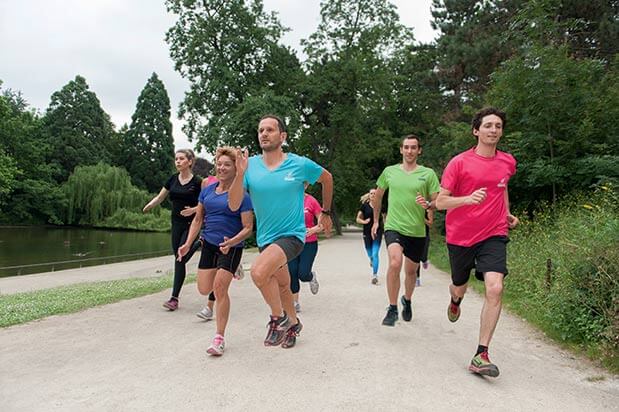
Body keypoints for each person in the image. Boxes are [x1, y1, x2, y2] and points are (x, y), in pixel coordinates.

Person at [229, 114, 333, 349]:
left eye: (269, 130)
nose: (264, 134)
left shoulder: (299, 164)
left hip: (293, 236)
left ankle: (279, 318)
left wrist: (325, 211)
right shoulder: (250, 165)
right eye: (260, 130)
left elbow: (327, 179)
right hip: (266, 238)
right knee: (283, 286)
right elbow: (234, 204)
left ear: (282, 136)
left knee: (258, 272)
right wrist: (239, 173)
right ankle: (294, 324)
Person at [434, 107, 519, 378]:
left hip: (493, 234)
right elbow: (440, 202)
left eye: (498, 126)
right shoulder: (459, 163)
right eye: (488, 125)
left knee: (495, 288)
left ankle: (481, 354)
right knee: (460, 285)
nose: (493, 130)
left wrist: (505, 214)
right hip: (460, 236)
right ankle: (455, 298)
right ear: (476, 130)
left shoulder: (507, 161)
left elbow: (502, 186)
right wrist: (467, 200)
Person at [178, 147, 254, 356]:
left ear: (235, 168)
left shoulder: (243, 197)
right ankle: (233, 270)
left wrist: (233, 241)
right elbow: (198, 219)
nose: (221, 168)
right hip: (209, 244)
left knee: (220, 289)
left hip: (231, 246)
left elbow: (248, 227)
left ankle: (219, 338)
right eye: (219, 164)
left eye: (227, 164)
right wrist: (187, 244)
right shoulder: (207, 191)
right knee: (204, 289)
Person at [371, 135, 440, 326]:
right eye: (406, 147)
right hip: (394, 226)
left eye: (413, 148)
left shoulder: (428, 174)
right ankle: (392, 308)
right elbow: (378, 196)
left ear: (419, 151)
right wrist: (376, 220)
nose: (409, 151)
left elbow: (437, 201)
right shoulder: (389, 172)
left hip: (417, 231)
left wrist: (428, 205)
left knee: (411, 272)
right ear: (401, 150)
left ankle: (407, 300)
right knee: (395, 262)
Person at [143, 149, 204, 311]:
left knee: (180, 257)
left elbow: (206, 203)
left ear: (190, 162)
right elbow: (160, 197)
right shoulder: (172, 179)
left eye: (181, 159)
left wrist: (193, 210)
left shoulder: (198, 182)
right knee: (178, 257)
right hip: (176, 223)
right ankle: (199, 244)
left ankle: (174, 298)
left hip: (192, 223)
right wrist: (150, 204)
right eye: (176, 159)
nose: (177, 161)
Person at [287, 184, 323, 313]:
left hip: (309, 243)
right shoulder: (286, 200)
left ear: (306, 185)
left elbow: (322, 221)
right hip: (290, 242)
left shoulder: (311, 201)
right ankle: (295, 302)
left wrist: (314, 229)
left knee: (302, 273)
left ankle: (310, 276)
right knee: (292, 272)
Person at [356, 189, 383, 285]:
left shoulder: (380, 206)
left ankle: (375, 275)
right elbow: (357, 219)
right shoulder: (364, 206)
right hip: (367, 232)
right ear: (369, 195)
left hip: (377, 232)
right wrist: (364, 222)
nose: (373, 195)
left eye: (375, 194)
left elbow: (385, 217)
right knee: (369, 252)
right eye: (371, 193)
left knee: (375, 254)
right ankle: (371, 259)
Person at [415, 209, 433, 287]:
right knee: (416, 258)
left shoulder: (428, 209)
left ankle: (425, 260)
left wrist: (422, 218)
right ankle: (417, 279)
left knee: (423, 256)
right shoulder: (413, 209)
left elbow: (430, 224)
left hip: (425, 236)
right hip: (415, 235)